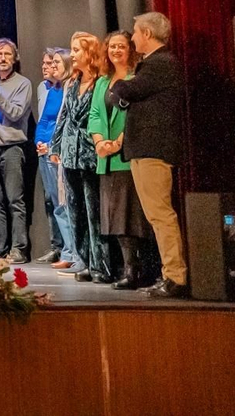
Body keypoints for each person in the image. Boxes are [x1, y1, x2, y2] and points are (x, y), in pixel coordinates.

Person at [113, 12, 189, 299]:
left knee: (160, 214)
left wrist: (120, 79)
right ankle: (169, 273)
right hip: (145, 150)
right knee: (156, 215)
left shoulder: (160, 64)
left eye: (135, 33)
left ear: (147, 33)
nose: (132, 38)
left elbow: (126, 90)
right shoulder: (154, 65)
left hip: (153, 149)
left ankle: (176, 277)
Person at [91, 29, 151, 290]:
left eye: (121, 47)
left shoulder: (137, 78)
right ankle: (128, 268)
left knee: (132, 217)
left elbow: (139, 116)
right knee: (115, 216)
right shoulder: (103, 81)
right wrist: (99, 142)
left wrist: (117, 144)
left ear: (130, 50)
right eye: (112, 47)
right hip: (105, 159)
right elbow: (94, 113)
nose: (115, 51)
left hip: (127, 157)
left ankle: (137, 270)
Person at [59, 33, 110, 283]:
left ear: (89, 53)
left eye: (77, 50)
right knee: (75, 210)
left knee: (93, 212)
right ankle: (86, 260)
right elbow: (65, 117)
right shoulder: (72, 82)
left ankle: (101, 263)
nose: (72, 55)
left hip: (90, 154)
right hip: (70, 152)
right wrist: (57, 147)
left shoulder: (101, 82)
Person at [0, 38, 34, 262]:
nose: (2, 58)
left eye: (7, 54)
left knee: (15, 200)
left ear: (15, 58)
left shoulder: (23, 83)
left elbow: (15, 114)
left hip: (11, 148)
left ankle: (19, 248)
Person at [33, 48, 78, 270]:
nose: (50, 67)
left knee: (65, 203)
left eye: (56, 63)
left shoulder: (70, 89)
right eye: (50, 63)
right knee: (56, 203)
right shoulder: (53, 89)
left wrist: (52, 145)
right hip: (46, 151)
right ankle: (67, 250)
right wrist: (39, 143)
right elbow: (45, 121)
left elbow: (63, 123)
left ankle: (73, 253)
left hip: (59, 151)